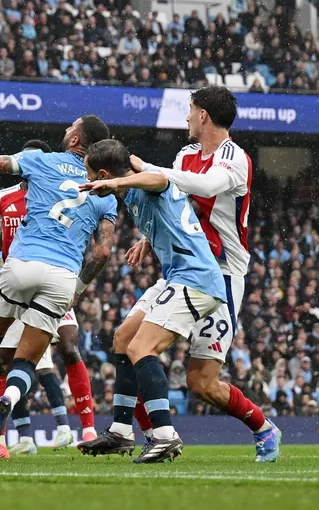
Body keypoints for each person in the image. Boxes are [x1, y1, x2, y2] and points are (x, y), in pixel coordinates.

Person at [0, 116, 117, 452]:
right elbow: (103, 252)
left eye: (69, 128)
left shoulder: (42, 160)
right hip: (62, 277)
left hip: (22, 264)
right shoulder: (105, 189)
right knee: (28, 361)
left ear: (76, 140)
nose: (64, 131)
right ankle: (11, 399)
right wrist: (77, 290)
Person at [115, 86, 280, 462]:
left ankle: (263, 428)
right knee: (126, 339)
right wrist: (147, 235)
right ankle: (148, 433)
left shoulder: (234, 158)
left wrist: (151, 169)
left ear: (203, 115)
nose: (187, 118)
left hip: (221, 276)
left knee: (201, 383)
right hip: (183, 268)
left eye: (190, 111)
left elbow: (205, 186)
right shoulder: (186, 155)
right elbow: (177, 201)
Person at [77, 139, 230, 464]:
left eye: (91, 175)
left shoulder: (144, 181)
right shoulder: (134, 190)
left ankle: (164, 435)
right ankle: (120, 430)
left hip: (197, 279)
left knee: (141, 349)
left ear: (104, 174)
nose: (90, 182)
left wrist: (118, 180)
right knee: (123, 339)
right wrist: (149, 238)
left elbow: (160, 180)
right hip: (177, 277)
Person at [0, 141, 97, 459]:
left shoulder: (53, 193)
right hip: (16, 282)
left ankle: (86, 430)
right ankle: (16, 437)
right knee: (10, 360)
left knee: (68, 347)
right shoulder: (2, 199)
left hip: (53, 278)